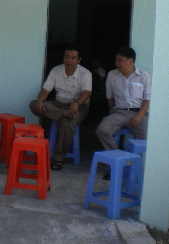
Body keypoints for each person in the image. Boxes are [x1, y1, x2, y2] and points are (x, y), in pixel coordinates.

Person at [29, 46, 92, 171]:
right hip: (58, 104)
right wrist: (40, 101)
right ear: (63, 58)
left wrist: (76, 103)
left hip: (78, 106)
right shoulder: (56, 70)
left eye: (73, 58)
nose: (69, 60)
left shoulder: (85, 73)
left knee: (68, 122)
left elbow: (86, 92)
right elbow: (45, 90)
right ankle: (63, 113)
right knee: (34, 104)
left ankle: (58, 158)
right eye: (67, 57)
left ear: (79, 60)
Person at [95, 47, 150, 180]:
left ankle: (134, 171)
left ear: (131, 61)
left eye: (120, 60)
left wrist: (139, 116)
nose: (117, 63)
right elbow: (109, 97)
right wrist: (113, 113)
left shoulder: (143, 76)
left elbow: (147, 100)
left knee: (144, 140)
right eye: (116, 60)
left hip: (138, 113)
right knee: (102, 130)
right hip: (118, 112)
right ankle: (118, 164)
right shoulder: (112, 75)